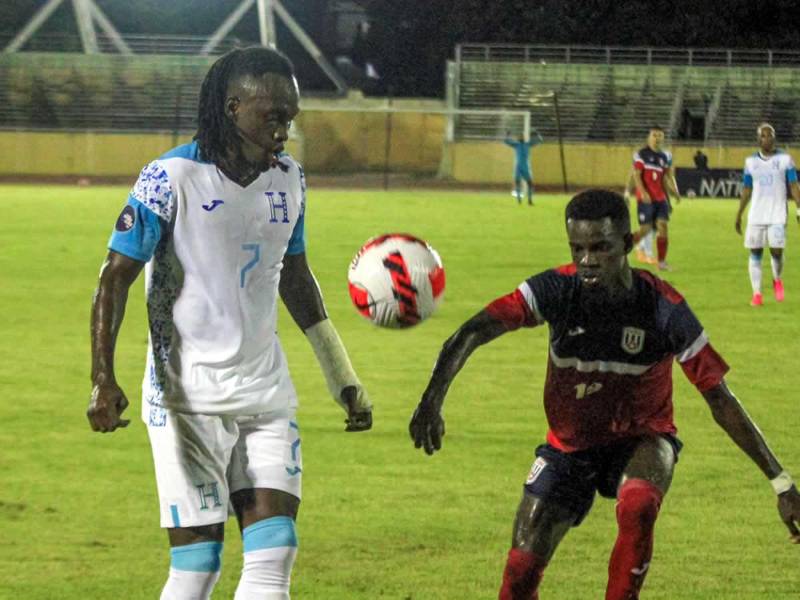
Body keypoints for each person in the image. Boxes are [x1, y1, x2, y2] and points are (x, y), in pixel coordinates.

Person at [409, 189, 800, 600]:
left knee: (639, 504)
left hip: (641, 438)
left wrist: (781, 482)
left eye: (600, 248)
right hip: (569, 446)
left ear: (628, 245)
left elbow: (719, 398)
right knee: (519, 573)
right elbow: (471, 331)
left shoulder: (663, 308)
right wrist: (432, 399)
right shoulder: (555, 291)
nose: (587, 260)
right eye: (577, 248)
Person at [87, 47, 373, 600]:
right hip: (185, 400)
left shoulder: (290, 179)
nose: (283, 129)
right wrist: (103, 377)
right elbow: (113, 278)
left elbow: (296, 279)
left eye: (289, 117)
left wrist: (343, 378)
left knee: (275, 554)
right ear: (232, 106)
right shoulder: (169, 178)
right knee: (198, 567)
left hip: (264, 393)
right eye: (272, 115)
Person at [734, 122, 800, 306]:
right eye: (763, 135)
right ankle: (757, 294)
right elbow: (746, 189)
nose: (767, 138)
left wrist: (799, 208)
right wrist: (739, 214)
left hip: (778, 214)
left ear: (774, 138)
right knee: (755, 252)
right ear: (758, 139)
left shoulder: (786, 160)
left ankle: (777, 279)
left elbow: (794, 186)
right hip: (756, 215)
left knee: (776, 251)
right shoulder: (750, 162)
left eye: (770, 135)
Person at [631, 126, 681, 271]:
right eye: (654, 135)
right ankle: (624, 249)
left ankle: (662, 262)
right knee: (645, 230)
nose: (657, 138)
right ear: (649, 137)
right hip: (646, 199)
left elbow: (664, 179)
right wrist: (643, 193)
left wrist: (673, 193)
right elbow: (637, 175)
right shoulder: (641, 154)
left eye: (660, 136)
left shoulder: (663, 157)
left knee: (663, 227)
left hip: (660, 199)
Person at [624, 170, 656, 265]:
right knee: (647, 225)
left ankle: (640, 247)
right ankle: (648, 254)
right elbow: (633, 175)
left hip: (656, 198)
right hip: (643, 199)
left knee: (655, 226)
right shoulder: (641, 159)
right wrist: (627, 192)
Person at [504, 130, 544, 205]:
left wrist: (537, 135)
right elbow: (506, 141)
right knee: (518, 183)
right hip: (518, 167)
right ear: (518, 138)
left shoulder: (528, 144)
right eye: (519, 136)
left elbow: (540, 141)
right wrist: (507, 135)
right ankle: (519, 200)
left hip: (525, 167)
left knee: (530, 183)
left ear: (524, 137)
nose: (521, 137)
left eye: (522, 136)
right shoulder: (516, 145)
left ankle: (529, 200)